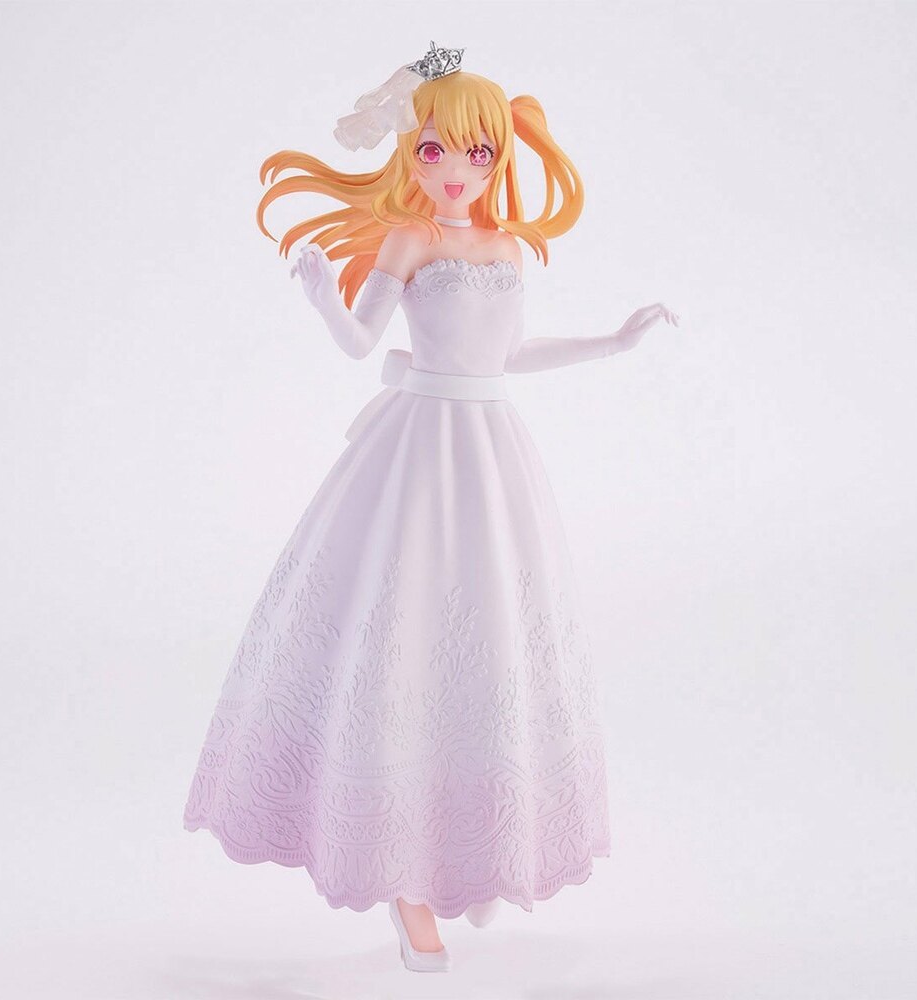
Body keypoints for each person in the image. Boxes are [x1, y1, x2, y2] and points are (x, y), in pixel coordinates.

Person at [183, 40, 680, 974]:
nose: (456, 170)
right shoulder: (409, 241)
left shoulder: (507, 248)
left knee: (491, 641)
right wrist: (321, 296)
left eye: (478, 153)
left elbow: (509, 355)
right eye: (434, 150)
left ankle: (475, 848)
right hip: (416, 452)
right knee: (401, 634)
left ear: (500, 157)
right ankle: (405, 878)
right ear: (410, 153)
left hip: (492, 456)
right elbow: (358, 342)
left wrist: (613, 344)